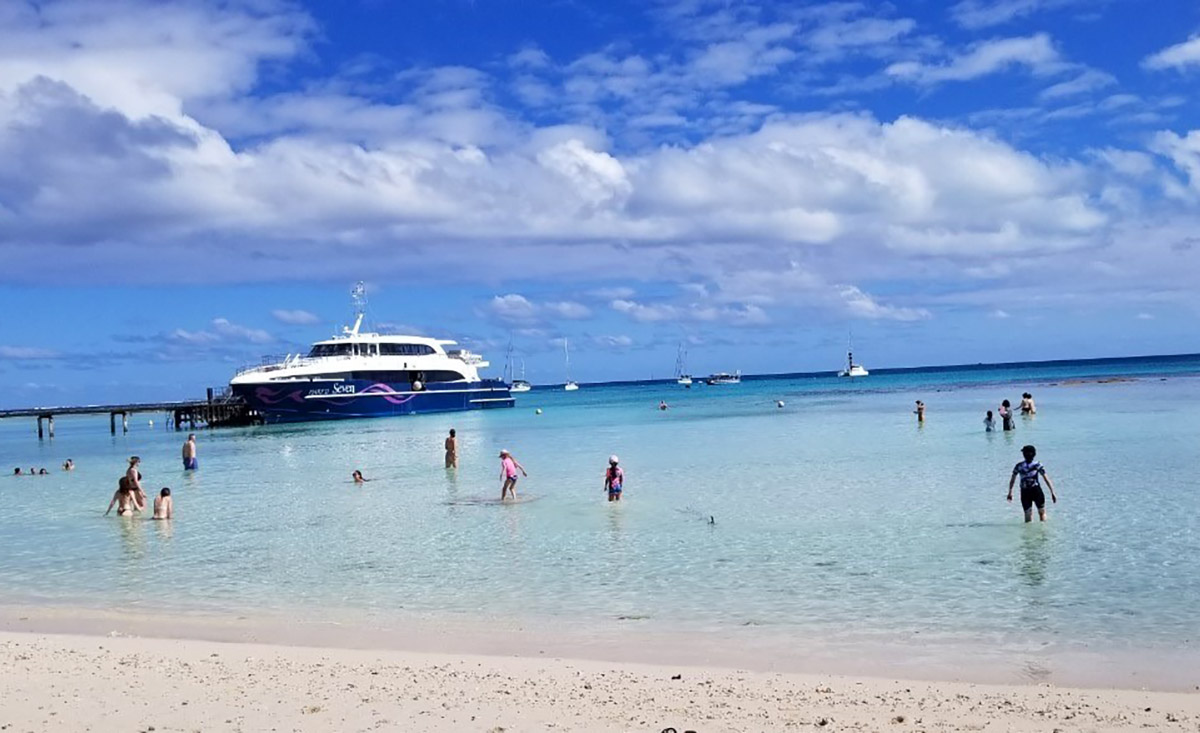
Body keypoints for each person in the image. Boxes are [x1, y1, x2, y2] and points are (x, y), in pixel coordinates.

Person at [1008, 444, 1057, 523]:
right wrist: (1052, 492)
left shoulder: (1019, 466)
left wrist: (1010, 492)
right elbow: (1046, 479)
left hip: (1025, 492)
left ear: (1024, 454)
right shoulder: (1038, 465)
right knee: (1042, 512)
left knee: (1028, 515)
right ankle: (1043, 532)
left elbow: (1012, 479)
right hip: (1036, 490)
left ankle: (1028, 534)